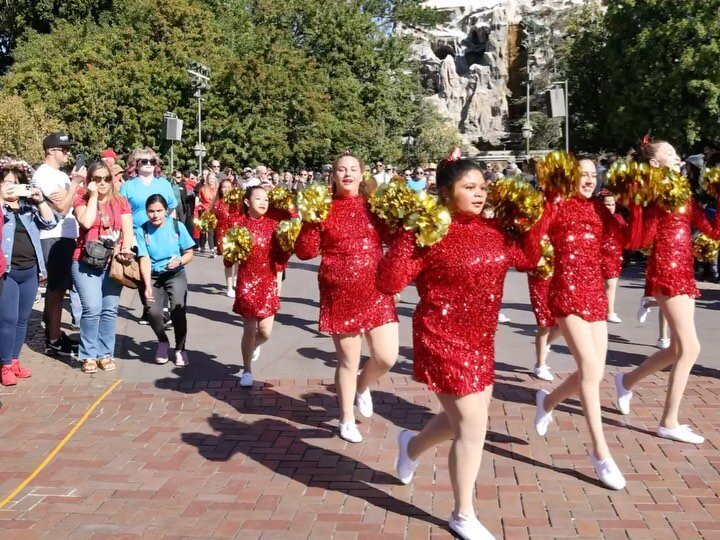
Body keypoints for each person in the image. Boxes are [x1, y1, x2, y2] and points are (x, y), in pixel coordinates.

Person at [376, 154, 538, 540]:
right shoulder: (430, 230)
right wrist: (406, 235)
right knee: (473, 425)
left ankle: (411, 446)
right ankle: (462, 514)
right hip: (441, 335)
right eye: (470, 187)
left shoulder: (493, 229)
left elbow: (528, 257)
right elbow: (387, 282)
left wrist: (526, 218)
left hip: (481, 338)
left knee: (459, 420)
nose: (479, 194)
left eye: (483, 187)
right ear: (447, 192)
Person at [615, 139, 720, 444]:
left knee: (677, 349)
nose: (678, 158)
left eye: (677, 154)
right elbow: (638, 240)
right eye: (670, 154)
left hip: (685, 271)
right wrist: (638, 205)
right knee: (691, 348)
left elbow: (712, 230)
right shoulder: (651, 193)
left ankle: (627, 380)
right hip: (664, 270)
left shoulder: (683, 190)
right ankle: (668, 421)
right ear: (654, 163)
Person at [533, 157, 627, 490]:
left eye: (593, 175)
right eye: (582, 174)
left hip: (594, 294)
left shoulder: (602, 211)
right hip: (565, 293)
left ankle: (547, 401)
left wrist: (641, 203)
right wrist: (547, 202)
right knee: (588, 366)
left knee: (594, 371)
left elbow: (631, 242)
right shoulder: (556, 205)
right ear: (569, 177)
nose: (589, 179)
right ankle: (600, 451)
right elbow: (531, 246)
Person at [295, 154, 399, 443]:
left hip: (376, 290)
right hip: (339, 292)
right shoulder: (323, 208)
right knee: (348, 361)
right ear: (334, 176)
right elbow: (305, 252)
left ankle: (362, 387)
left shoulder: (374, 206)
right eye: (342, 169)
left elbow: (396, 236)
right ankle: (346, 419)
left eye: (353, 169)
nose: (348, 174)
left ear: (362, 174)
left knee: (387, 356)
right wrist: (310, 220)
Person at [71, 162, 134, 374]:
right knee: (92, 308)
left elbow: (128, 230)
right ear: (90, 181)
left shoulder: (121, 201)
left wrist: (126, 248)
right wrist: (94, 197)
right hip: (85, 261)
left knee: (109, 309)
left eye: (107, 178)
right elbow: (87, 223)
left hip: (112, 262)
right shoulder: (82, 199)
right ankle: (88, 354)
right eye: (97, 179)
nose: (103, 183)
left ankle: (105, 353)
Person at [1, 158, 57, 385]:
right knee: (7, 319)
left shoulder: (27, 209)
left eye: (15, 182)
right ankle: (4, 365)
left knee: (22, 319)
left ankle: (14, 360)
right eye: (6, 182)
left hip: (30, 270)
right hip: (8, 272)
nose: (11, 186)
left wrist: (39, 199)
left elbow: (50, 222)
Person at [229, 187, 291, 387]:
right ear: (247, 202)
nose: (263, 202)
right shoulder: (238, 224)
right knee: (249, 327)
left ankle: (255, 345)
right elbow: (229, 258)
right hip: (247, 281)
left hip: (268, 281)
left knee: (265, 331)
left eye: (266, 199)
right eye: (258, 198)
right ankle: (247, 370)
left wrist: (279, 280)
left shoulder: (275, 225)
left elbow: (280, 257)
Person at [32, 132, 85, 357]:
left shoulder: (60, 175)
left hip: (66, 236)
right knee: (56, 290)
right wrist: (73, 184)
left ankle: (54, 335)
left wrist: (70, 188)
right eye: (63, 150)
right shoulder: (44, 175)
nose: (67, 153)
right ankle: (52, 338)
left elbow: (70, 199)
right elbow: (63, 208)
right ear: (51, 150)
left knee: (60, 288)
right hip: (53, 237)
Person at [136, 195, 195, 366]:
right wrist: (147, 285)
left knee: (178, 309)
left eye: (159, 211)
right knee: (153, 313)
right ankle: (162, 341)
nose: (155, 215)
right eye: (151, 211)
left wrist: (179, 261)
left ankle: (180, 348)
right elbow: (144, 258)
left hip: (175, 274)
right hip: (153, 276)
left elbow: (189, 253)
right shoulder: (142, 230)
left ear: (166, 211)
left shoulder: (177, 226)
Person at [599, 190, 628, 323]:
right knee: (598, 285)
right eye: (607, 204)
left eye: (612, 204)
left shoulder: (619, 219)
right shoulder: (595, 218)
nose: (610, 207)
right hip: (597, 255)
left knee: (611, 285)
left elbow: (626, 235)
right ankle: (602, 311)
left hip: (614, 256)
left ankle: (609, 311)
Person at [211, 179, 240, 297]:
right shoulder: (217, 203)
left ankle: (237, 280)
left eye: (229, 187)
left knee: (239, 259)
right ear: (220, 189)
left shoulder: (238, 202)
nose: (226, 189)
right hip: (223, 236)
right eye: (224, 187)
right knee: (228, 262)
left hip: (238, 234)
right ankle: (229, 288)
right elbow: (211, 218)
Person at [197, 173, 218, 256]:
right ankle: (204, 245)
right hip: (205, 210)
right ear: (207, 180)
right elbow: (200, 199)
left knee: (212, 230)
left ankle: (213, 247)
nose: (211, 180)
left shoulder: (217, 189)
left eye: (212, 179)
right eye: (210, 179)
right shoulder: (202, 189)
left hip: (214, 210)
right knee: (204, 230)